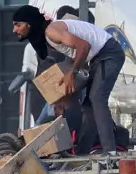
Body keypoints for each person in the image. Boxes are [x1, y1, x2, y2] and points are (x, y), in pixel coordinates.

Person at [12, 5, 125, 154]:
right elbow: (81, 54)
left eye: (17, 25)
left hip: (109, 53)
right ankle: (82, 153)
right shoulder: (48, 35)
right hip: (98, 57)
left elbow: (84, 46)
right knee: (89, 106)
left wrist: (72, 73)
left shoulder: (51, 31)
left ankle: (110, 152)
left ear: (29, 24)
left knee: (97, 98)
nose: (14, 30)